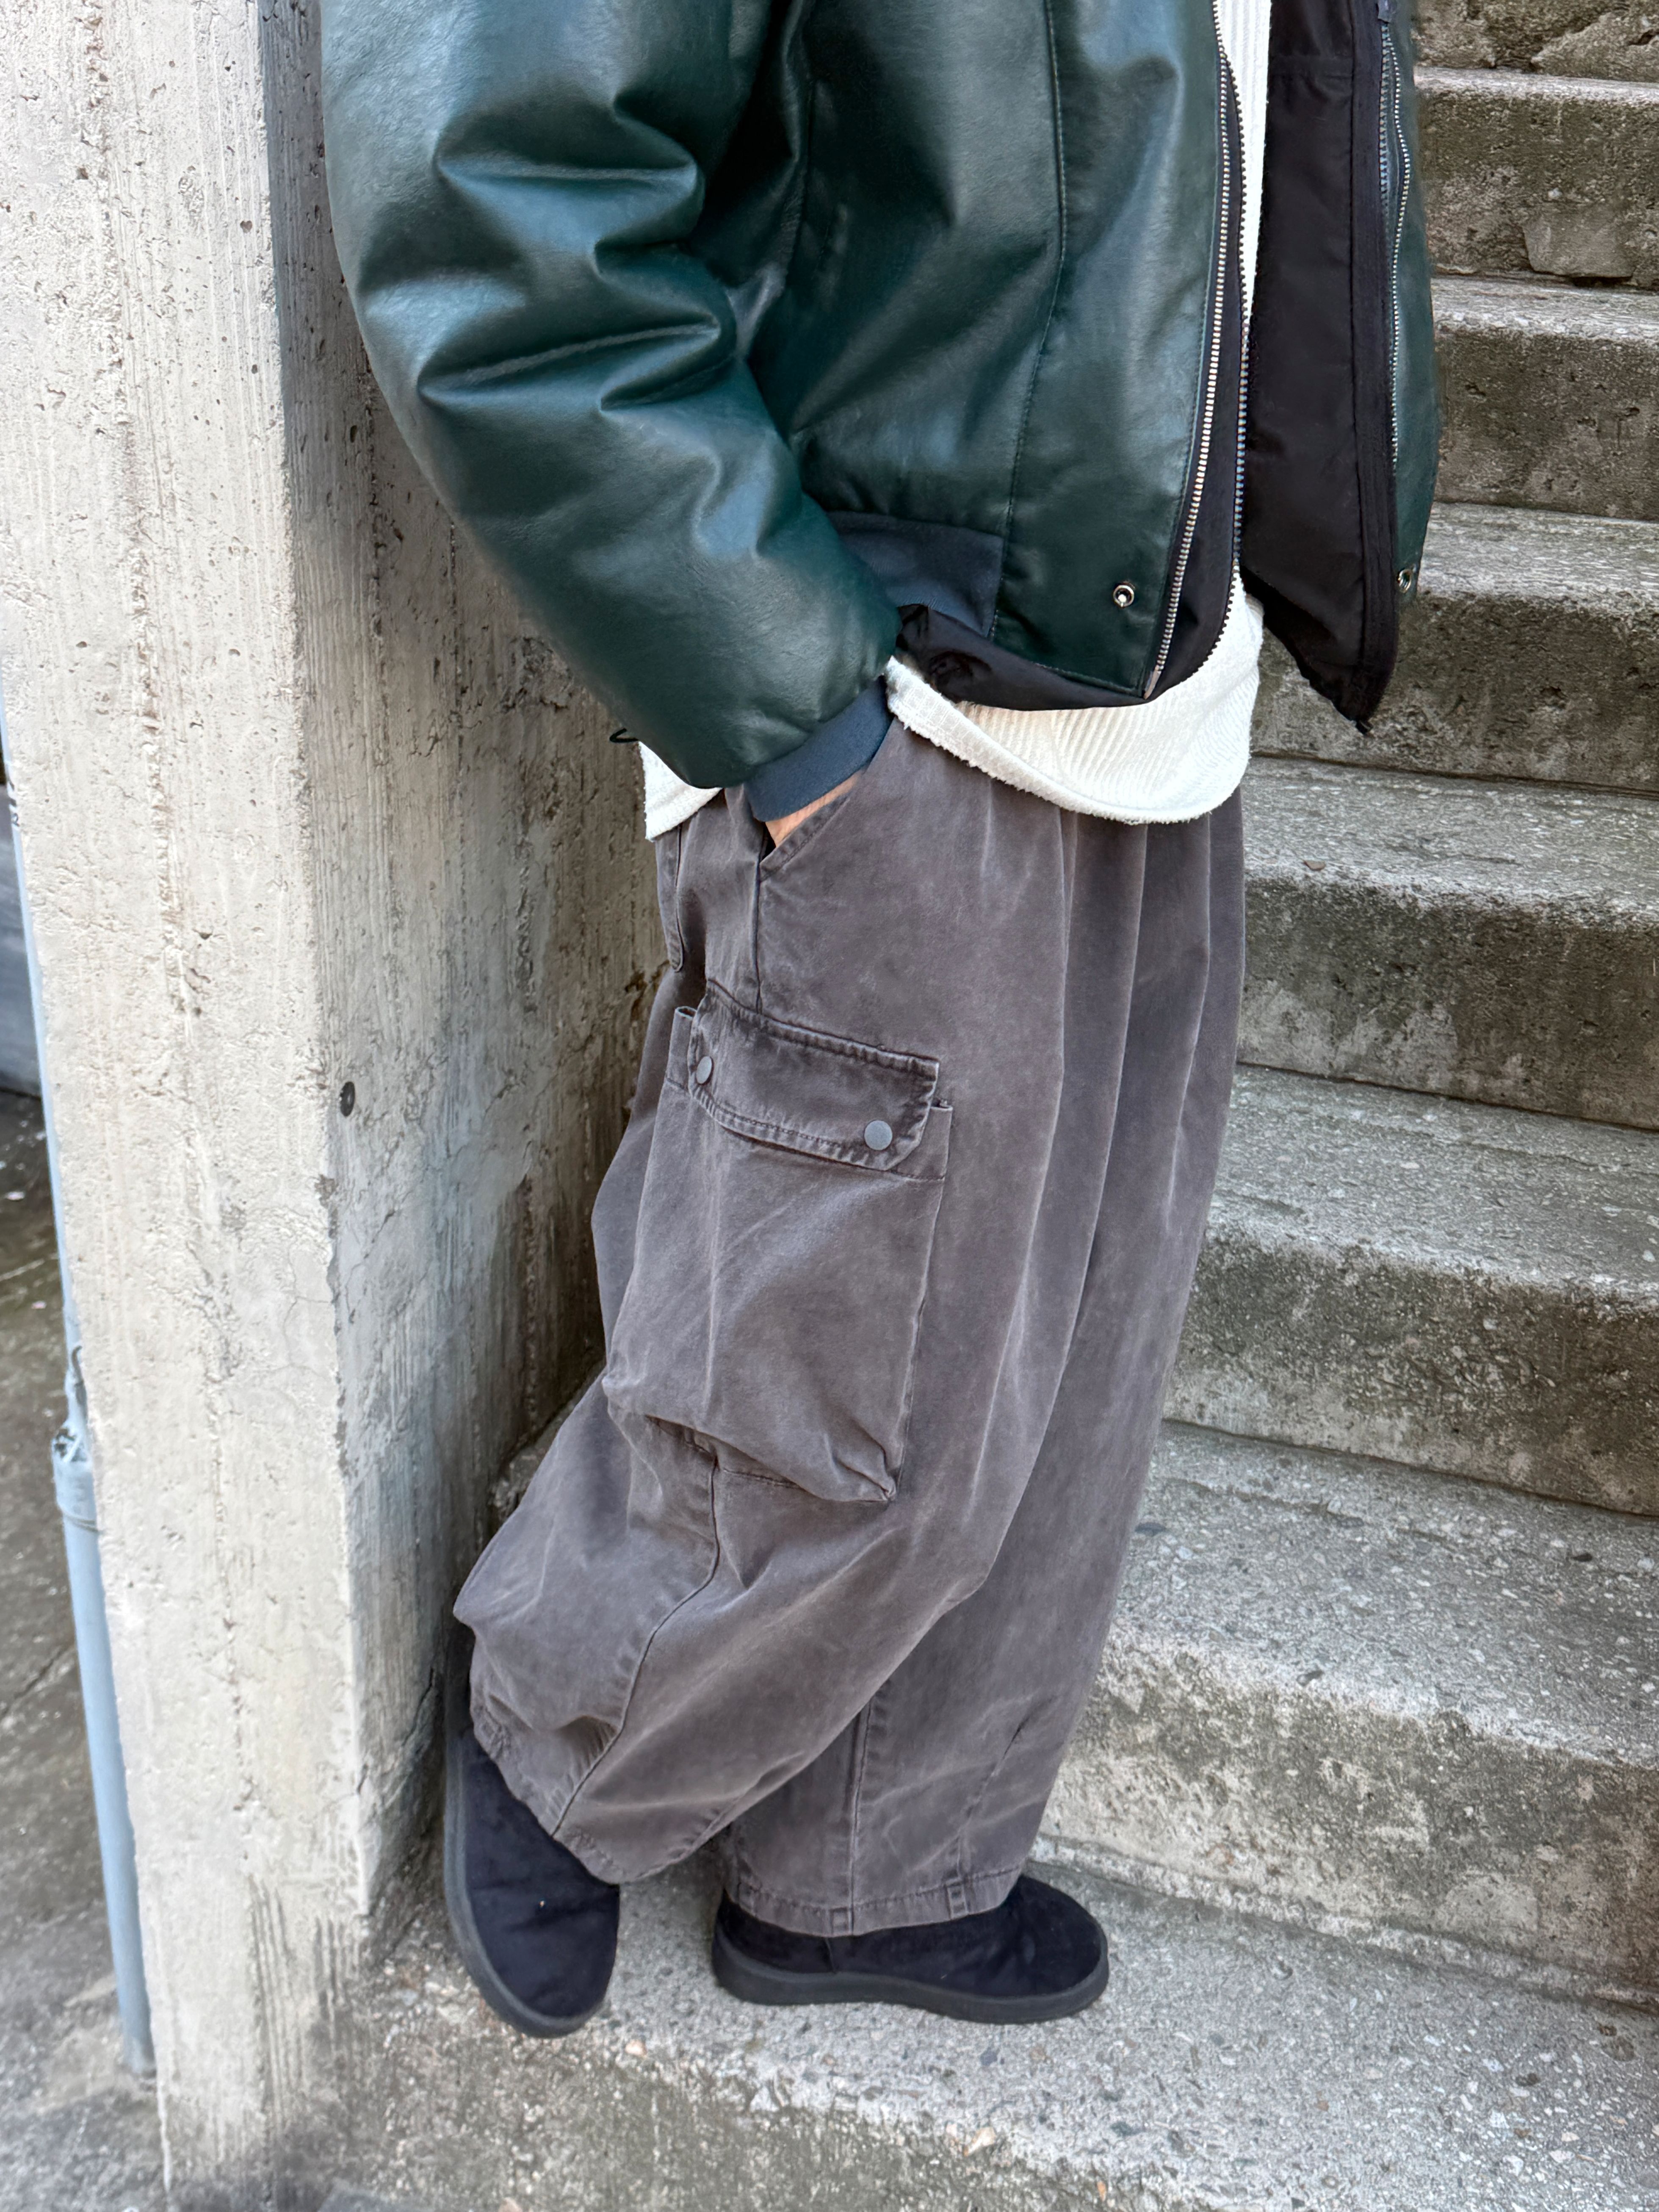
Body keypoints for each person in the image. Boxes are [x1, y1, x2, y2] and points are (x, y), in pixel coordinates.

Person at [323, 0, 1438, 2034]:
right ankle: (566, 1735)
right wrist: (789, 704)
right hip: (897, 685)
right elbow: (496, 197)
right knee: (841, 1349)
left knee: (1066, 1355)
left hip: (1150, 673)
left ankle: (868, 1867)